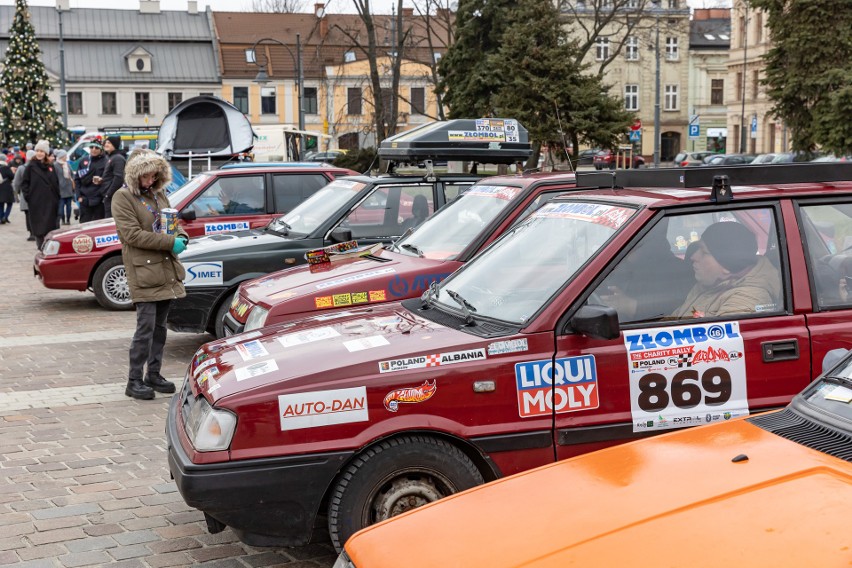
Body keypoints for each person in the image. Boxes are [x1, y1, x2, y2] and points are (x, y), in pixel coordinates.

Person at [112, 150, 188, 400]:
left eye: (155, 176)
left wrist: (180, 236)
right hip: (143, 270)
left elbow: (171, 223)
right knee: (144, 328)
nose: (150, 181)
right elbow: (131, 235)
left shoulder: (158, 193)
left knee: (159, 328)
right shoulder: (123, 197)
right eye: (146, 176)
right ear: (136, 176)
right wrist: (169, 242)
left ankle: (153, 374)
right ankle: (134, 379)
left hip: (164, 268)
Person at [672, 221, 780, 318]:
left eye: (704, 252)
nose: (693, 257)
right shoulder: (711, 283)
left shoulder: (747, 300)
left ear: (727, 265)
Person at [21, 140, 59, 249]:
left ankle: (48, 248)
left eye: (42, 151)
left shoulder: (50, 166)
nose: (39, 153)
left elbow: (56, 183)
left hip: (50, 202)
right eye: (37, 151)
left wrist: (56, 198)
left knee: (50, 227)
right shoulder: (31, 166)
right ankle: (41, 247)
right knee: (39, 227)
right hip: (36, 202)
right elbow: (25, 184)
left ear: (46, 153)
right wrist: (29, 197)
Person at [74, 140, 107, 223]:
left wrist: (102, 181)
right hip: (84, 200)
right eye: (91, 147)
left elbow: (109, 180)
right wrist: (78, 196)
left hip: (99, 201)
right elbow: (77, 179)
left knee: (98, 227)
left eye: (96, 147)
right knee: (84, 226)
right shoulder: (83, 161)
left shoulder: (106, 161)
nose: (94, 149)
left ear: (101, 149)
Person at [100, 135, 126, 218]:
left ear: (114, 145)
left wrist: (108, 194)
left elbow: (118, 178)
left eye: (109, 143)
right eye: (106, 142)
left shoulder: (118, 158)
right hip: (110, 196)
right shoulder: (111, 157)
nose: (106, 144)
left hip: (113, 197)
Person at [13, 150, 35, 240]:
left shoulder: (21, 168)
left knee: (28, 215)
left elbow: (16, 182)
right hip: (37, 195)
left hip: (25, 195)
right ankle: (36, 232)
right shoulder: (37, 167)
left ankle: (31, 233)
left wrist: (16, 193)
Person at [54, 149, 75, 225]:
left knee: (68, 206)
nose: (66, 157)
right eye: (65, 156)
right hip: (60, 189)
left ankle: (68, 220)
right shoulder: (56, 165)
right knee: (61, 207)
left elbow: (72, 175)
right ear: (61, 156)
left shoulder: (67, 164)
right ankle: (63, 220)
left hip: (68, 188)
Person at [0, 156, 15, 224]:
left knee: (1, 204)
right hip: (7, 187)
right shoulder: (6, 167)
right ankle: (5, 216)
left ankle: (1, 217)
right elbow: (12, 176)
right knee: (10, 203)